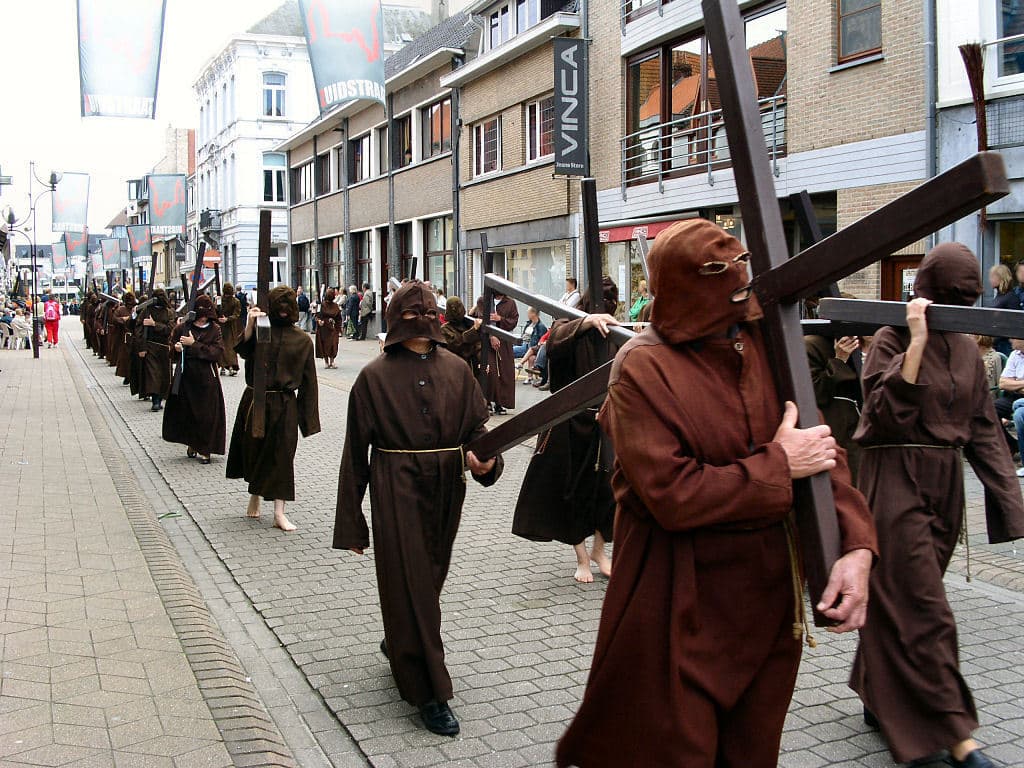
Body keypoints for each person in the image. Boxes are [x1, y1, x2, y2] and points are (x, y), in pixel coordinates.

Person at [556, 219, 877, 768]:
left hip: (768, 605)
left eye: (740, 273)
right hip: (677, 603)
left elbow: (821, 451)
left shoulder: (769, 345)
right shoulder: (642, 367)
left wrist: (855, 545)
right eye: (716, 276)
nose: (738, 288)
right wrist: (779, 464)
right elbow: (672, 493)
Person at [850, 243, 1024, 768]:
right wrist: (918, 343)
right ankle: (953, 737)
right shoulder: (890, 337)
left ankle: (875, 692)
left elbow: (984, 430)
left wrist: (1010, 503)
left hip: (946, 486)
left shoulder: (969, 352)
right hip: (894, 476)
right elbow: (878, 416)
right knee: (926, 610)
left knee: (900, 602)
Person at [332, 281, 502, 737]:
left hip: (447, 487)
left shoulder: (457, 369)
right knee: (411, 583)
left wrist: (486, 461)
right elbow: (354, 454)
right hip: (395, 487)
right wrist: (353, 522)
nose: (420, 325)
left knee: (427, 580)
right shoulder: (373, 376)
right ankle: (429, 691)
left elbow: (477, 430)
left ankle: (400, 641)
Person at [513, 278, 619, 583]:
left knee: (608, 489)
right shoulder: (570, 322)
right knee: (572, 489)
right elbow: (556, 338)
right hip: (569, 422)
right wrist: (585, 322)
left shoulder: (614, 330)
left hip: (603, 420)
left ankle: (600, 551)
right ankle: (582, 558)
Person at [226, 286, 320, 532]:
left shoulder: (301, 340)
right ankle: (255, 493)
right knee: (254, 451)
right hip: (256, 400)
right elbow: (242, 351)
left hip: (284, 404)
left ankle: (279, 512)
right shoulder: (261, 330)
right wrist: (249, 325)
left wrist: (308, 421)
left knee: (282, 457)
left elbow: (309, 382)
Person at [162, 295, 226, 464]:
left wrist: (193, 344)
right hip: (186, 377)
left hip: (206, 378)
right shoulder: (183, 327)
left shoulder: (214, 329)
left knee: (207, 415)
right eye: (201, 315)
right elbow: (172, 348)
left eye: (207, 315)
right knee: (188, 413)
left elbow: (216, 352)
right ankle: (192, 443)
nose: (204, 318)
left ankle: (205, 449)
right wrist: (175, 348)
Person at [805, 333, 866, 482]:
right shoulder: (814, 345)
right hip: (836, 438)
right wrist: (839, 361)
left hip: (870, 442)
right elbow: (812, 394)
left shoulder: (887, 342)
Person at [470, 291, 518, 414]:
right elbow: (481, 320)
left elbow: (513, 321)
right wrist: (491, 335)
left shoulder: (510, 303)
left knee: (504, 373)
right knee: (490, 371)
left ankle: (500, 403)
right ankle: (487, 401)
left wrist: (500, 319)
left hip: (504, 343)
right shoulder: (483, 300)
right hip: (486, 342)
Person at [137, 288, 174, 412]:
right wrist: (142, 347)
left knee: (164, 374)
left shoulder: (169, 312)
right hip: (150, 346)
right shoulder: (146, 311)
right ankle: (155, 400)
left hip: (164, 347)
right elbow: (139, 330)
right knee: (153, 374)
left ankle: (162, 397)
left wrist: (154, 324)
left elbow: (170, 329)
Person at [440, 296, 482, 374]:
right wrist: (473, 330)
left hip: (474, 367)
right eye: (454, 308)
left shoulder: (467, 323)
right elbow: (457, 343)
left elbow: (478, 344)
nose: (458, 311)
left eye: (459, 306)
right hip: (456, 368)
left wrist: (482, 361)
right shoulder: (444, 329)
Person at [988, 263, 1018, 356]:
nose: (990, 280)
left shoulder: (1010, 297)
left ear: (1001, 277)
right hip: (997, 342)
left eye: (993, 276)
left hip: (1005, 345)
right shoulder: (1000, 296)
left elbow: (1015, 322)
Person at [112, 293, 137, 385]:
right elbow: (114, 319)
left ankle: (132, 376)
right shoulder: (121, 309)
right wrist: (123, 320)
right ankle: (127, 375)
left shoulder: (136, 309)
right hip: (124, 337)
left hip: (135, 336)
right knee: (125, 358)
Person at [218, 283, 242, 376]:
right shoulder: (221, 300)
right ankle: (225, 366)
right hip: (224, 326)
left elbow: (236, 314)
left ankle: (228, 366)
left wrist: (226, 319)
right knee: (225, 346)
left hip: (229, 327)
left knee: (229, 347)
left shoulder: (235, 301)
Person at [315, 288, 342, 368]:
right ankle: (326, 362)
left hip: (333, 327)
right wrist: (319, 320)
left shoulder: (335, 306)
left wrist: (339, 327)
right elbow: (317, 315)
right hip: (324, 328)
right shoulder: (321, 305)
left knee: (333, 343)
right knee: (325, 344)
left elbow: (338, 318)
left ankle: (332, 361)